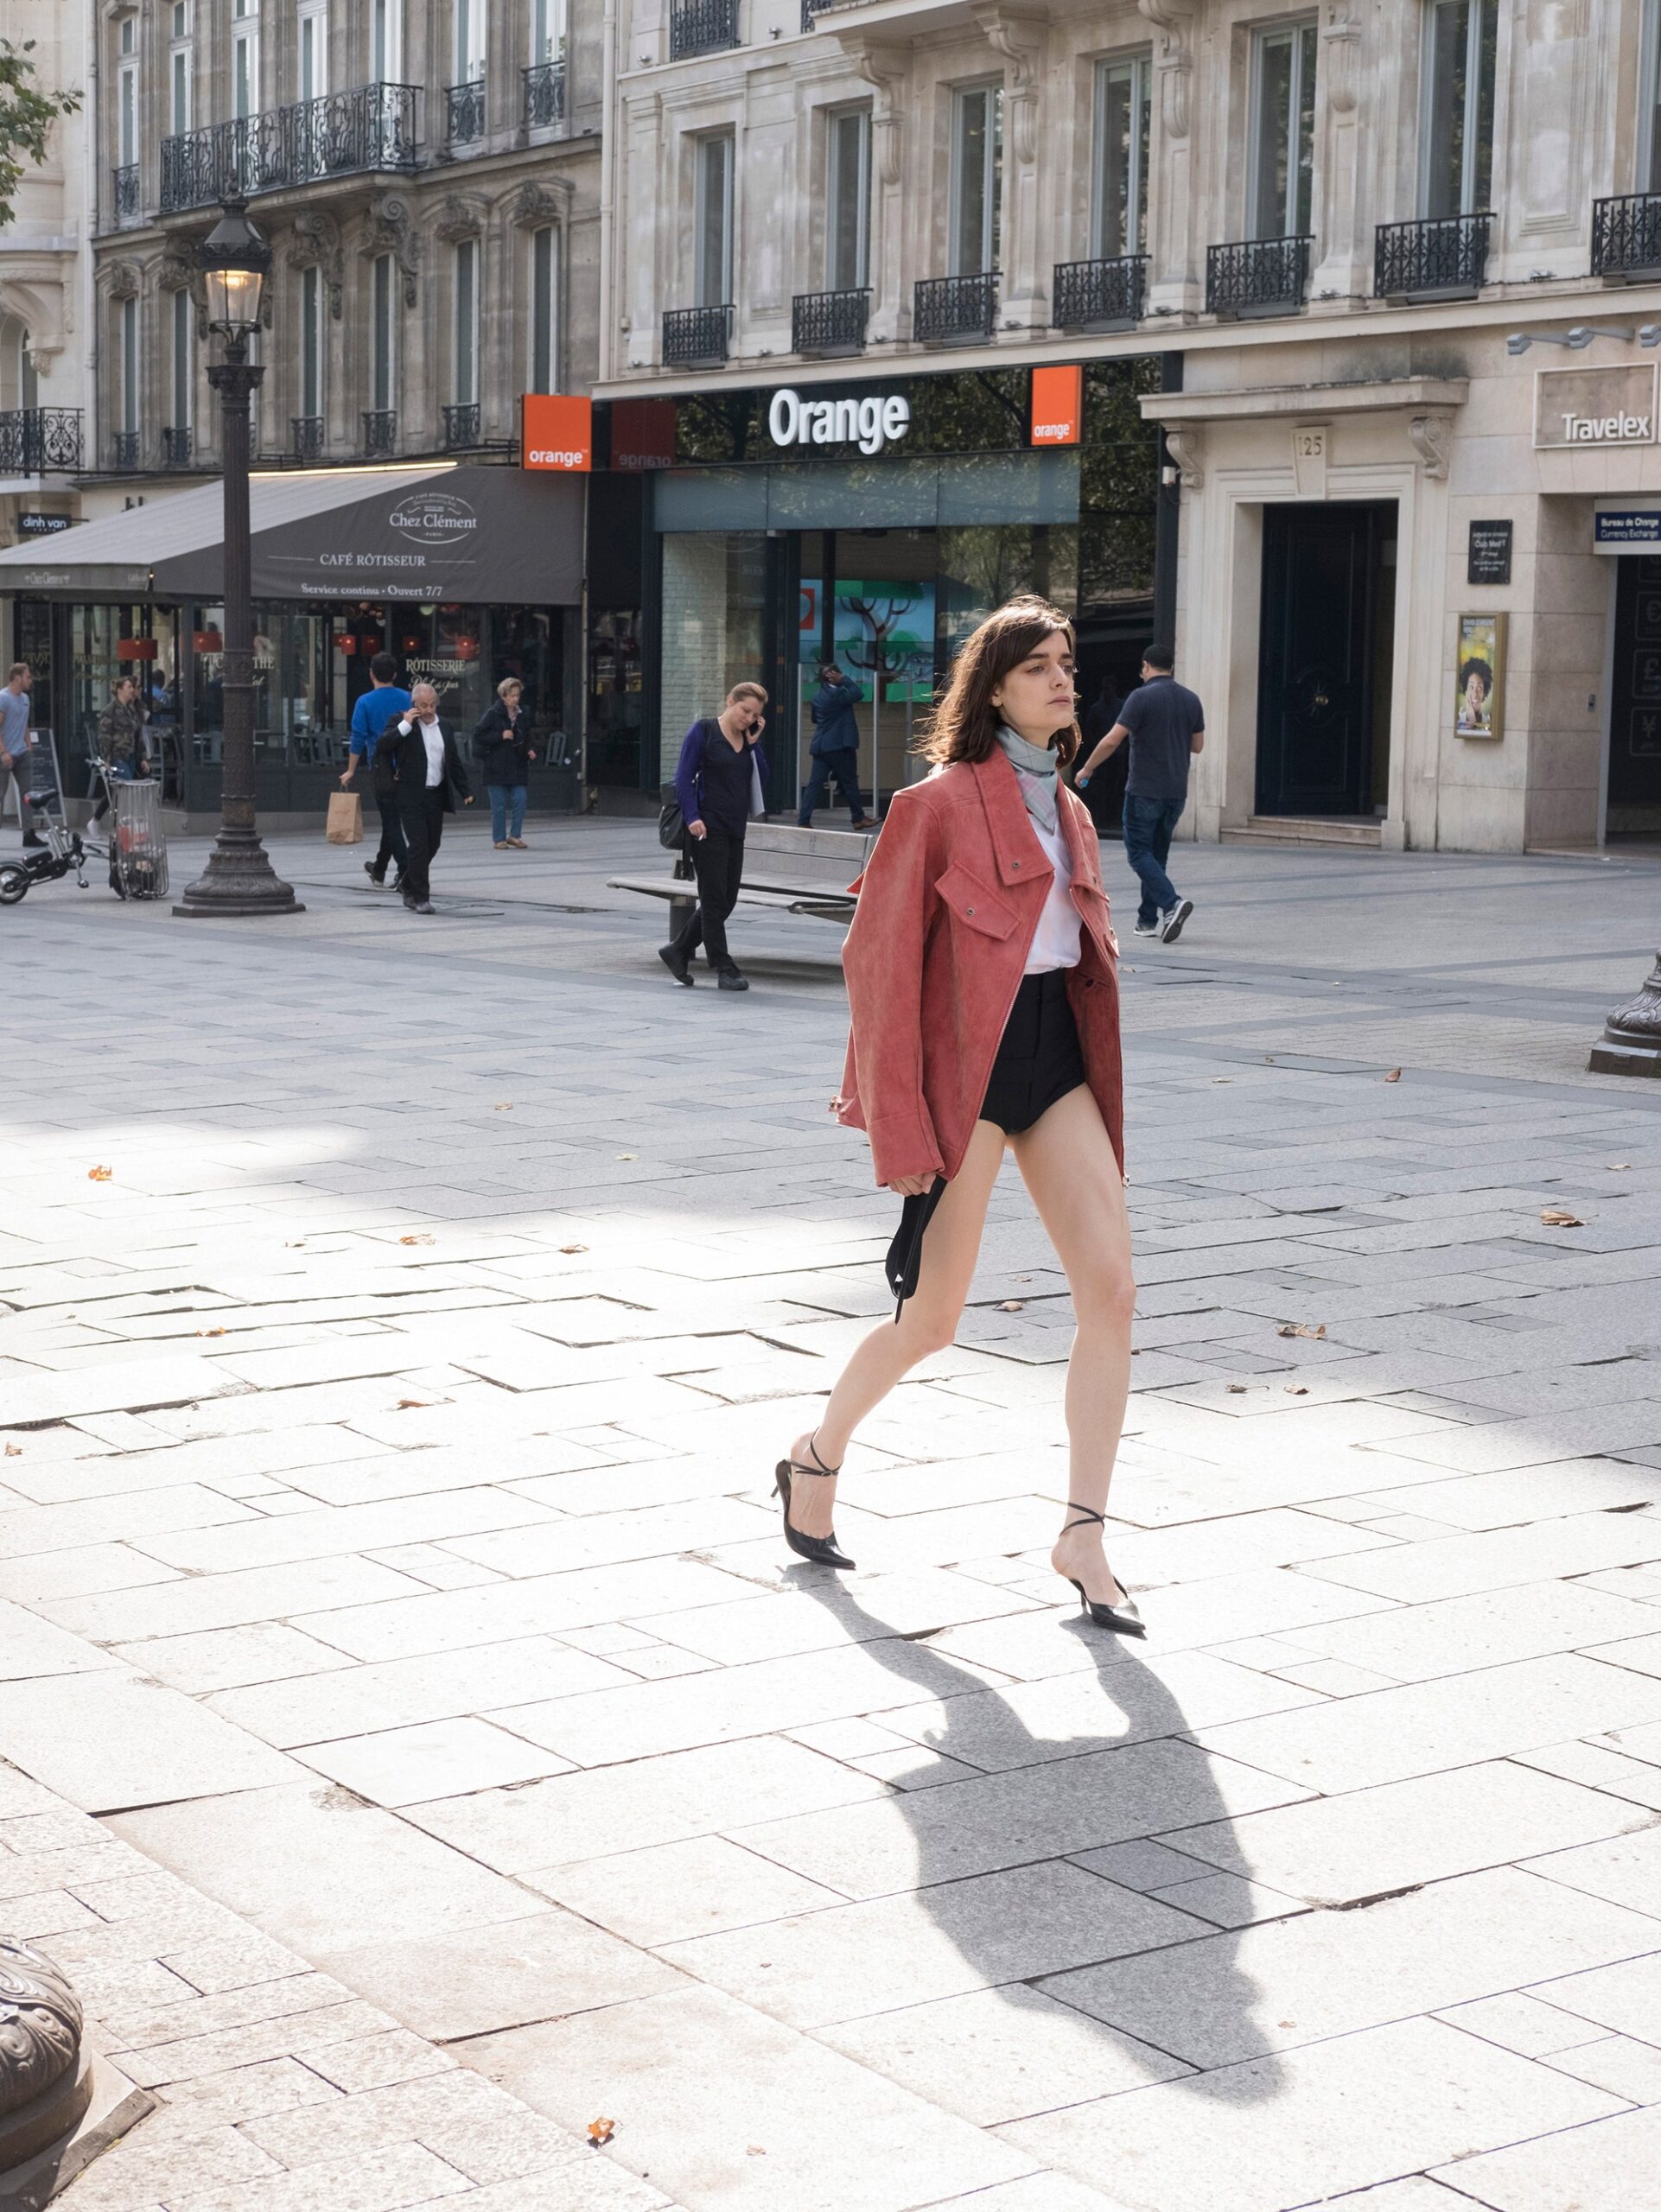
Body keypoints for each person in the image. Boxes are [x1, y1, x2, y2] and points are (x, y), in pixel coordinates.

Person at [773, 595, 1142, 1636]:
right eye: (1037, 668)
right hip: (965, 1079)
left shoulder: (1069, 810)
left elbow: (1072, 962)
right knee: (932, 1320)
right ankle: (815, 1454)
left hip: (1054, 1062)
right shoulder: (930, 806)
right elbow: (877, 969)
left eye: (1066, 664)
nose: (1062, 680)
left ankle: (1082, 1532)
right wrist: (898, 1131)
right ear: (991, 688)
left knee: (1111, 1292)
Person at [1075, 641, 1203, 944]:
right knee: (1156, 855)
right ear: (1172, 667)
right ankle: (1147, 920)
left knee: (1138, 853)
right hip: (1176, 791)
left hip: (1145, 789)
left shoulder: (1140, 697)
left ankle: (1172, 903)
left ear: (1146, 666)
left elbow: (1111, 740)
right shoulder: (1191, 699)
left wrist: (1087, 769)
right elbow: (1197, 746)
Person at [659, 682, 769, 993]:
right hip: (707, 829)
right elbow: (682, 778)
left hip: (736, 828)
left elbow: (762, 777)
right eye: (745, 710)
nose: (748, 718)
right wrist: (693, 817)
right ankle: (723, 967)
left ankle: (677, 950)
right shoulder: (704, 731)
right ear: (730, 701)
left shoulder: (747, 740)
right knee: (712, 901)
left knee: (726, 899)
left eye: (755, 715)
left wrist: (753, 744)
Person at [379, 680, 474, 915]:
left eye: (432, 705)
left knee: (433, 844)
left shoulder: (445, 727)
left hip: (435, 794)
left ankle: (407, 882)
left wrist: (465, 791)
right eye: (423, 705)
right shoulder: (401, 722)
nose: (428, 711)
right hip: (409, 796)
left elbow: (453, 762)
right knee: (419, 845)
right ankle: (420, 897)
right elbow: (383, 745)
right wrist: (405, 724)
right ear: (413, 704)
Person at [341, 652, 412, 890]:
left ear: (372, 674)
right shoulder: (408, 698)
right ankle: (380, 869)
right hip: (407, 766)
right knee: (391, 820)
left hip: (381, 768)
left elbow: (358, 739)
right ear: (394, 674)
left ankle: (405, 869)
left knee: (390, 820)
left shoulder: (364, 702)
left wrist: (351, 770)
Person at [798, 663, 869, 829]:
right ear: (834, 676)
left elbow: (815, 719)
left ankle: (803, 819)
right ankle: (858, 818)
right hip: (839, 746)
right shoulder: (838, 695)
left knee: (814, 784)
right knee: (850, 782)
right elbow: (858, 694)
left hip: (820, 746)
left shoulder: (817, 697)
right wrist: (843, 680)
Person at [470, 677, 538, 849]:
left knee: (520, 800)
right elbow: (478, 735)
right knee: (498, 805)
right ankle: (499, 839)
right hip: (496, 765)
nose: (515, 699)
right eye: (512, 696)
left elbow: (527, 735)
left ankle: (515, 835)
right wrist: (500, 736)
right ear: (504, 696)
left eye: (518, 695)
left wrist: (530, 749)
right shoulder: (493, 713)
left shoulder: (522, 714)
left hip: (517, 764)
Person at [92, 675, 152, 822]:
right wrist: (106, 759)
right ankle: (121, 822)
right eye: (129, 687)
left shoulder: (131, 710)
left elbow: (137, 735)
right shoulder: (110, 711)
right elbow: (104, 736)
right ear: (120, 690)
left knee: (118, 791)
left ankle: (100, 820)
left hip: (130, 755)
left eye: (133, 687)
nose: (132, 690)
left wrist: (143, 757)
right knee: (125, 788)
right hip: (116, 755)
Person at [0, 662, 41, 849]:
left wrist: (28, 743)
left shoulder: (25, 699)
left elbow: (23, 722)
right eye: (27, 676)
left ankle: (29, 834)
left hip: (22, 753)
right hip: (5, 754)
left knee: (28, 794)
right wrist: (3, 752)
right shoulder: (4, 698)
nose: (30, 680)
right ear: (17, 678)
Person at [1457, 656, 1493, 734]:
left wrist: (1474, 722)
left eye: (1479, 688)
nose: (1475, 693)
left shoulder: (1489, 720)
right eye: (1471, 687)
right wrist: (1472, 721)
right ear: (1466, 690)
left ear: (1484, 692)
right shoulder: (1458, 719)